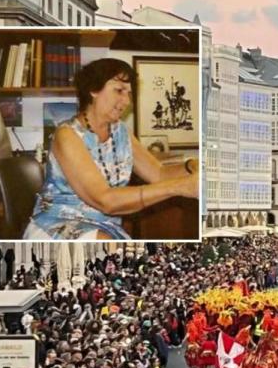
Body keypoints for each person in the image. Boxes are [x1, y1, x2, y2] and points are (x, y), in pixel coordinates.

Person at [22, 58, 199, 240]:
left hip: (105, 227)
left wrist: (190, 166)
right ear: (93, 90)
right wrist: (179, 187)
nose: (126, 101)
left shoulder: (121, 131)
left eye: (129, 93)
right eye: (119, 90)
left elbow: (159, 174)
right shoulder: (67, 135)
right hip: (57, 224)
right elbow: (105, 200)